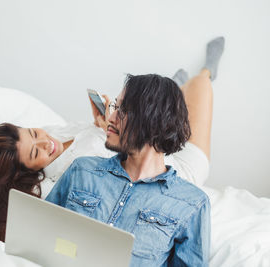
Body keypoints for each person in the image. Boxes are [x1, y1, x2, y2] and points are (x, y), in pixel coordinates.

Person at [0, 37, 224, 247]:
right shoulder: (72, 171)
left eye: (34, 133)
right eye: (36, 153)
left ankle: (169, 94)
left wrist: (101, 124)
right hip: (180, 163)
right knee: (202, 87)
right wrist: (108, 128)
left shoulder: (54, 133)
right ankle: (204, 73)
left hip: (145, 139)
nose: (46, 143)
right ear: (29, 170)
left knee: (174, 97)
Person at [46, 37, 225, 266]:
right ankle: (174, 83)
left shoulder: (192, 203)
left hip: (187, 161)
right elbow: (44, 238)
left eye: (122, 110)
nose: (110, 117)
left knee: (201, 88)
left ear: (152, 120)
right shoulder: (82, 170)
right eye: (114, 107)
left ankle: (206, 71)